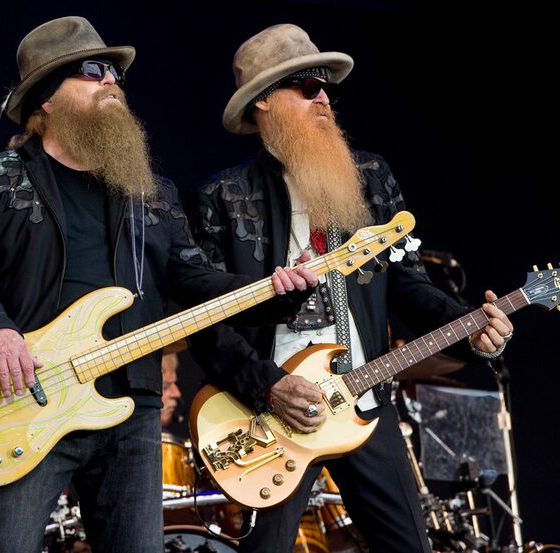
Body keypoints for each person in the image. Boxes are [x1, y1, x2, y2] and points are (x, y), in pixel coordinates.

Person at [0, 16, 317, 553]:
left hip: (131, 411)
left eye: (114, 72)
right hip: (30, 400)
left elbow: (194, 280)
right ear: (45, 98)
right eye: (93, 72)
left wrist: (274, 292)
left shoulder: (151, 193)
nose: (112, 80)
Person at [186, 23, 515, 553]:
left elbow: (409, 286)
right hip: (269, 411)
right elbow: (206, 322)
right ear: (264, 102)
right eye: (308, 88)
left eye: (329, 90)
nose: (324, 99)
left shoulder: (369, 176)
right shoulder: (221, 197)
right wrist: (269, 386)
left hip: (364, 399)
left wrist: (471, 333)